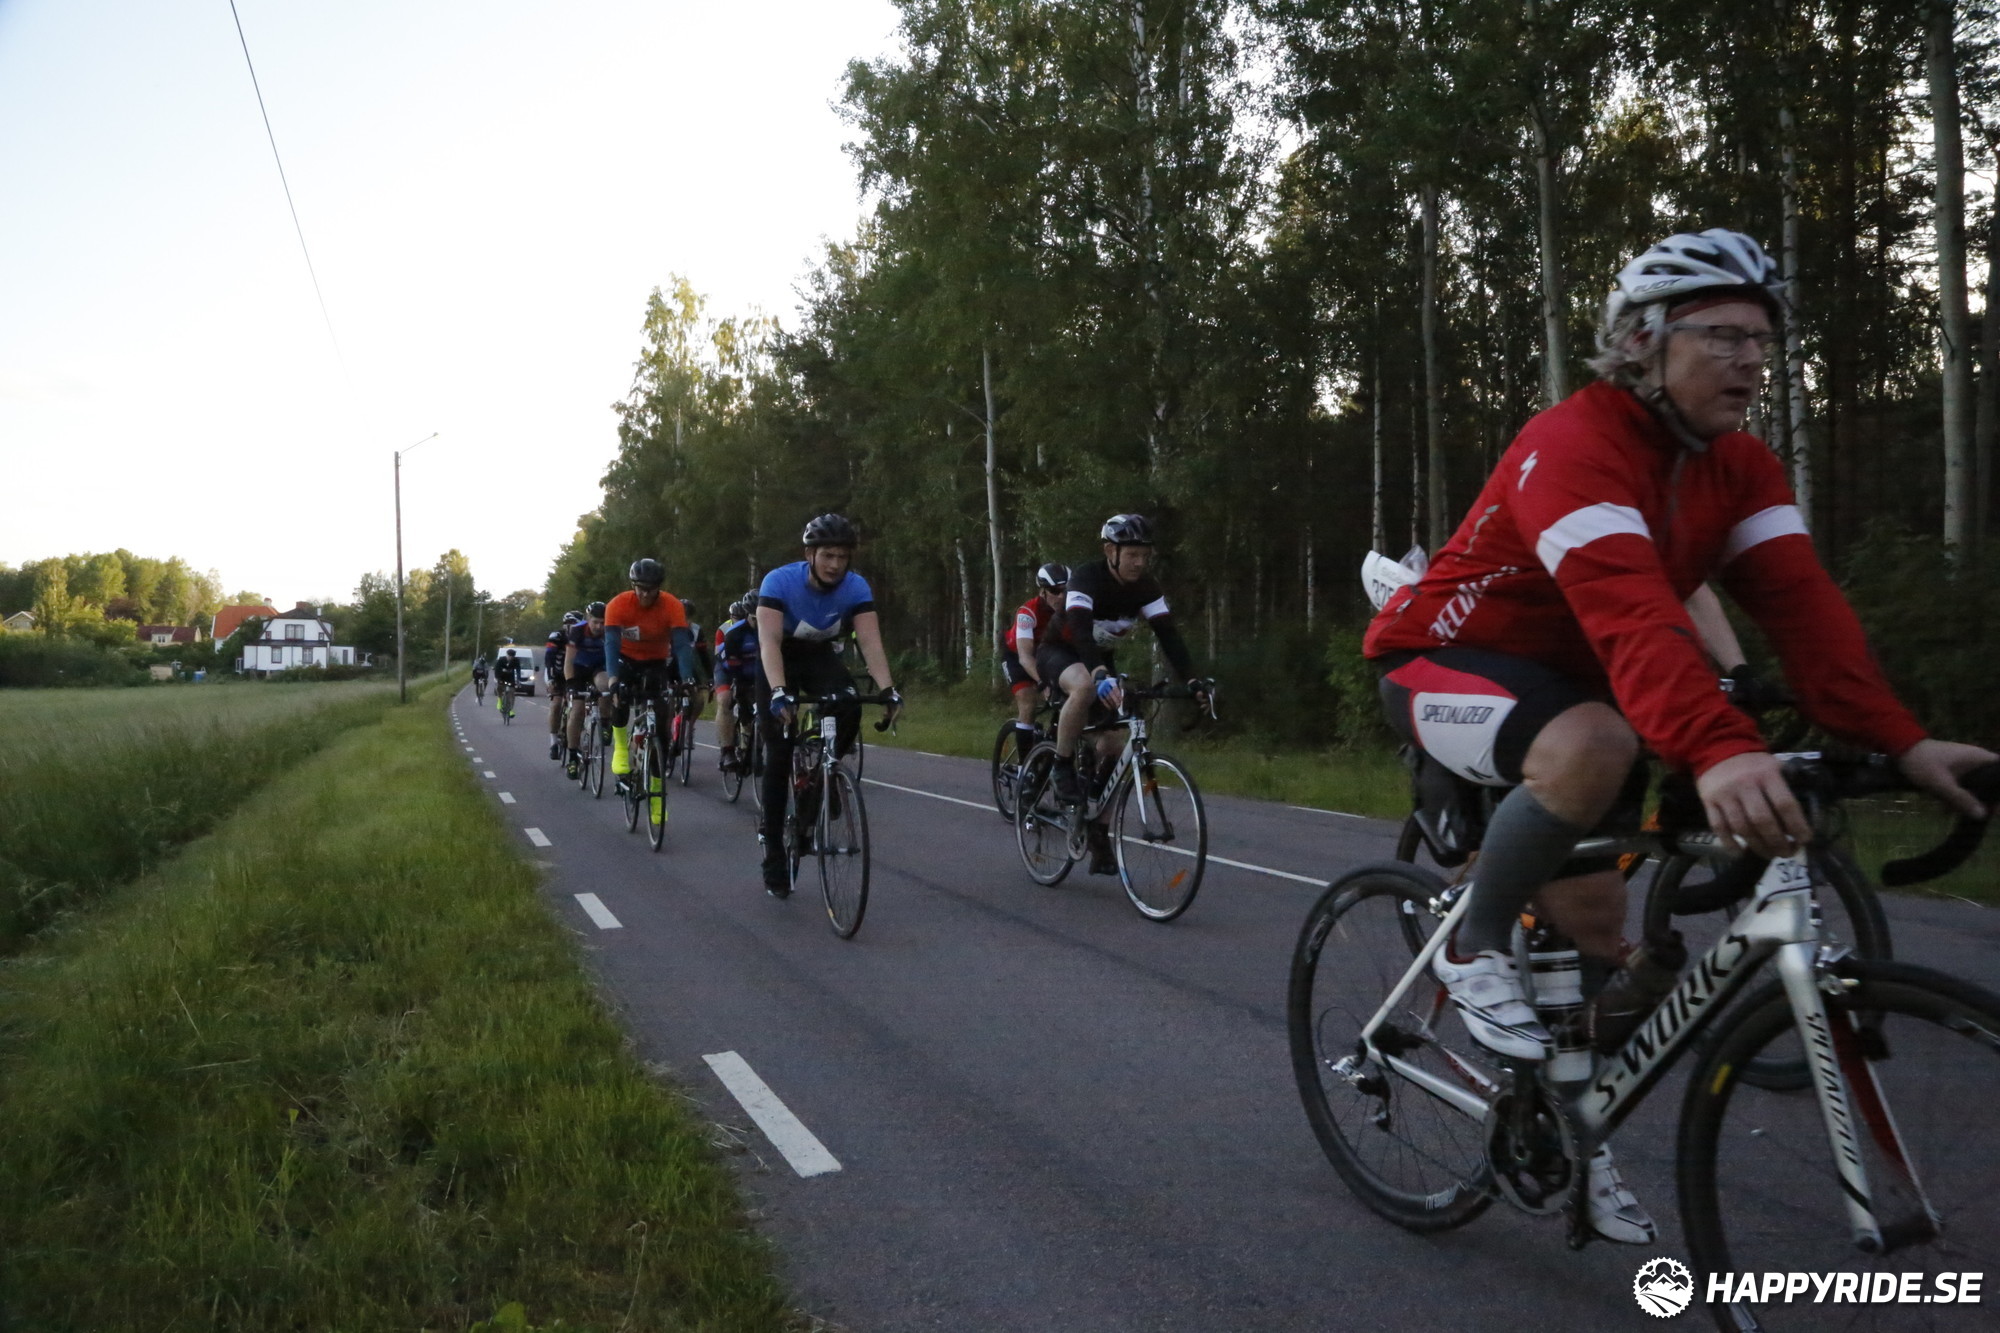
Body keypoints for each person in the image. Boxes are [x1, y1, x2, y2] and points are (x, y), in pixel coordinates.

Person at [1363, 227, 1995, 1244]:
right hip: (1443, 657)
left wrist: (1901, 741)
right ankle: (1470, 946)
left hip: (1578, 686)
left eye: (1762, 339)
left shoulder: (1735, 466)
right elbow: (1629, 611)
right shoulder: (1572, 442)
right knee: (1596, 744)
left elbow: (1803, 610)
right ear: (1641, 343)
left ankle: (1566, 1128)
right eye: (1722, 336)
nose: (1751, 359)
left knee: (1596, 928)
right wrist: (1717, 744)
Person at [1037, 515, 1207, 875]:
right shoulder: (1087, 578)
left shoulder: (1146, 588)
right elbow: (1080, 631)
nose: (1139, 563)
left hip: (1099, 660)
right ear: (1110, 551)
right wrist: (1099, 674)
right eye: (1132, 555)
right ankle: (1061, 766)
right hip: (1061, 652)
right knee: (1084, 685)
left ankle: (1098, 824)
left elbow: (1169, 635)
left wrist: (1193, 680)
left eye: (1145, 555)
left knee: (1115, 745)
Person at [755, 514, 903, 893]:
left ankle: (820, 780)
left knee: (850, 704)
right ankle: (774, 849)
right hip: (780, 658)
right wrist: (778, 691)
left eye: (842, 556)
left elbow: (870, 642)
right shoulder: (779, 581)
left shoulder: (856, 587)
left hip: (819, 655)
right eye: (828, 556)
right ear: (810, 554)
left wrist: (888, 689)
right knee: (779, 751)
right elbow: (769, 642)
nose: (835, 564)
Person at [603, 559, 696, 786]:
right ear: (633, 585)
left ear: (659, 588)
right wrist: (613, 679)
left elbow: (681, 645)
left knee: (662, 719)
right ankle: (621, 749)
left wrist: (687, 678)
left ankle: (656, 785)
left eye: (651, 589)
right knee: (619, 697)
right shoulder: (618, 604)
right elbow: (611, 643)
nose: (645, 594)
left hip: (655, 661)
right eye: (641, 588)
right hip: (626, 658)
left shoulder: (672, 605)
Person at [1001, 564, 1069, 762]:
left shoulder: (1071, 610)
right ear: (1042, 591)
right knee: (1028, 701)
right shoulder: (1028, 612)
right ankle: (1024, 767)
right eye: (1055, 591)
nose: (1061, 596)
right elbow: (1025, 657)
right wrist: (1044, 683)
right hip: (1017, 657)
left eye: (1066, 591)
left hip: (1047, 657)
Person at [714, 592, 762, 772]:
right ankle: (727, 751)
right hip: (728, 669)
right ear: (748, 615)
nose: (759, 623)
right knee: (726, 700)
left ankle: (756, 749)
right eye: (755, 619)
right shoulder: (735, 633)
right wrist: (741, 693)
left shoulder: (772, 628)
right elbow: (733, 668)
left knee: (764, 706)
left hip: (754, 671)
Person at [562, 605, 609, 778]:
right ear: (588, 619)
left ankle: (605, 722)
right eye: (595, 622)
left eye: (602, 623)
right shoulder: (577, 631)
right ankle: (573, 757)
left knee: (605, 686)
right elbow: (568, 661)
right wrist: (570, 684)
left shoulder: (610, 630)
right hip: (579, 669)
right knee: (577, 712)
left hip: (599, 668)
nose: (599, 626)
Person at [545, 616, 580, 759]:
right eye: (567, 623)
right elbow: (549, 659)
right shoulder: (557, 636)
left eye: (574, 624)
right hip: (557, 675)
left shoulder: (583, 636)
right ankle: (553, 742)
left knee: (580, 708)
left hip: (575, 676)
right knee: (556, 705)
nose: (570, 627)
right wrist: (551, 679)